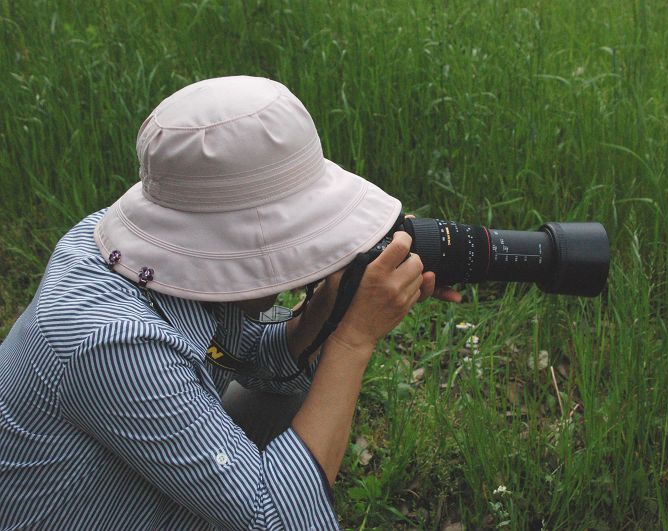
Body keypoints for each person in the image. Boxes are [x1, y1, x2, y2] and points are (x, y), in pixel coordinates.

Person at [0, 76, 460, 530]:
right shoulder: (117, 343)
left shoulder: (125, 248)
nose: (305, 255)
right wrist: (354, 340)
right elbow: (273, 520)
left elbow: (250, 356)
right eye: (295, 237)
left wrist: (328, 310)